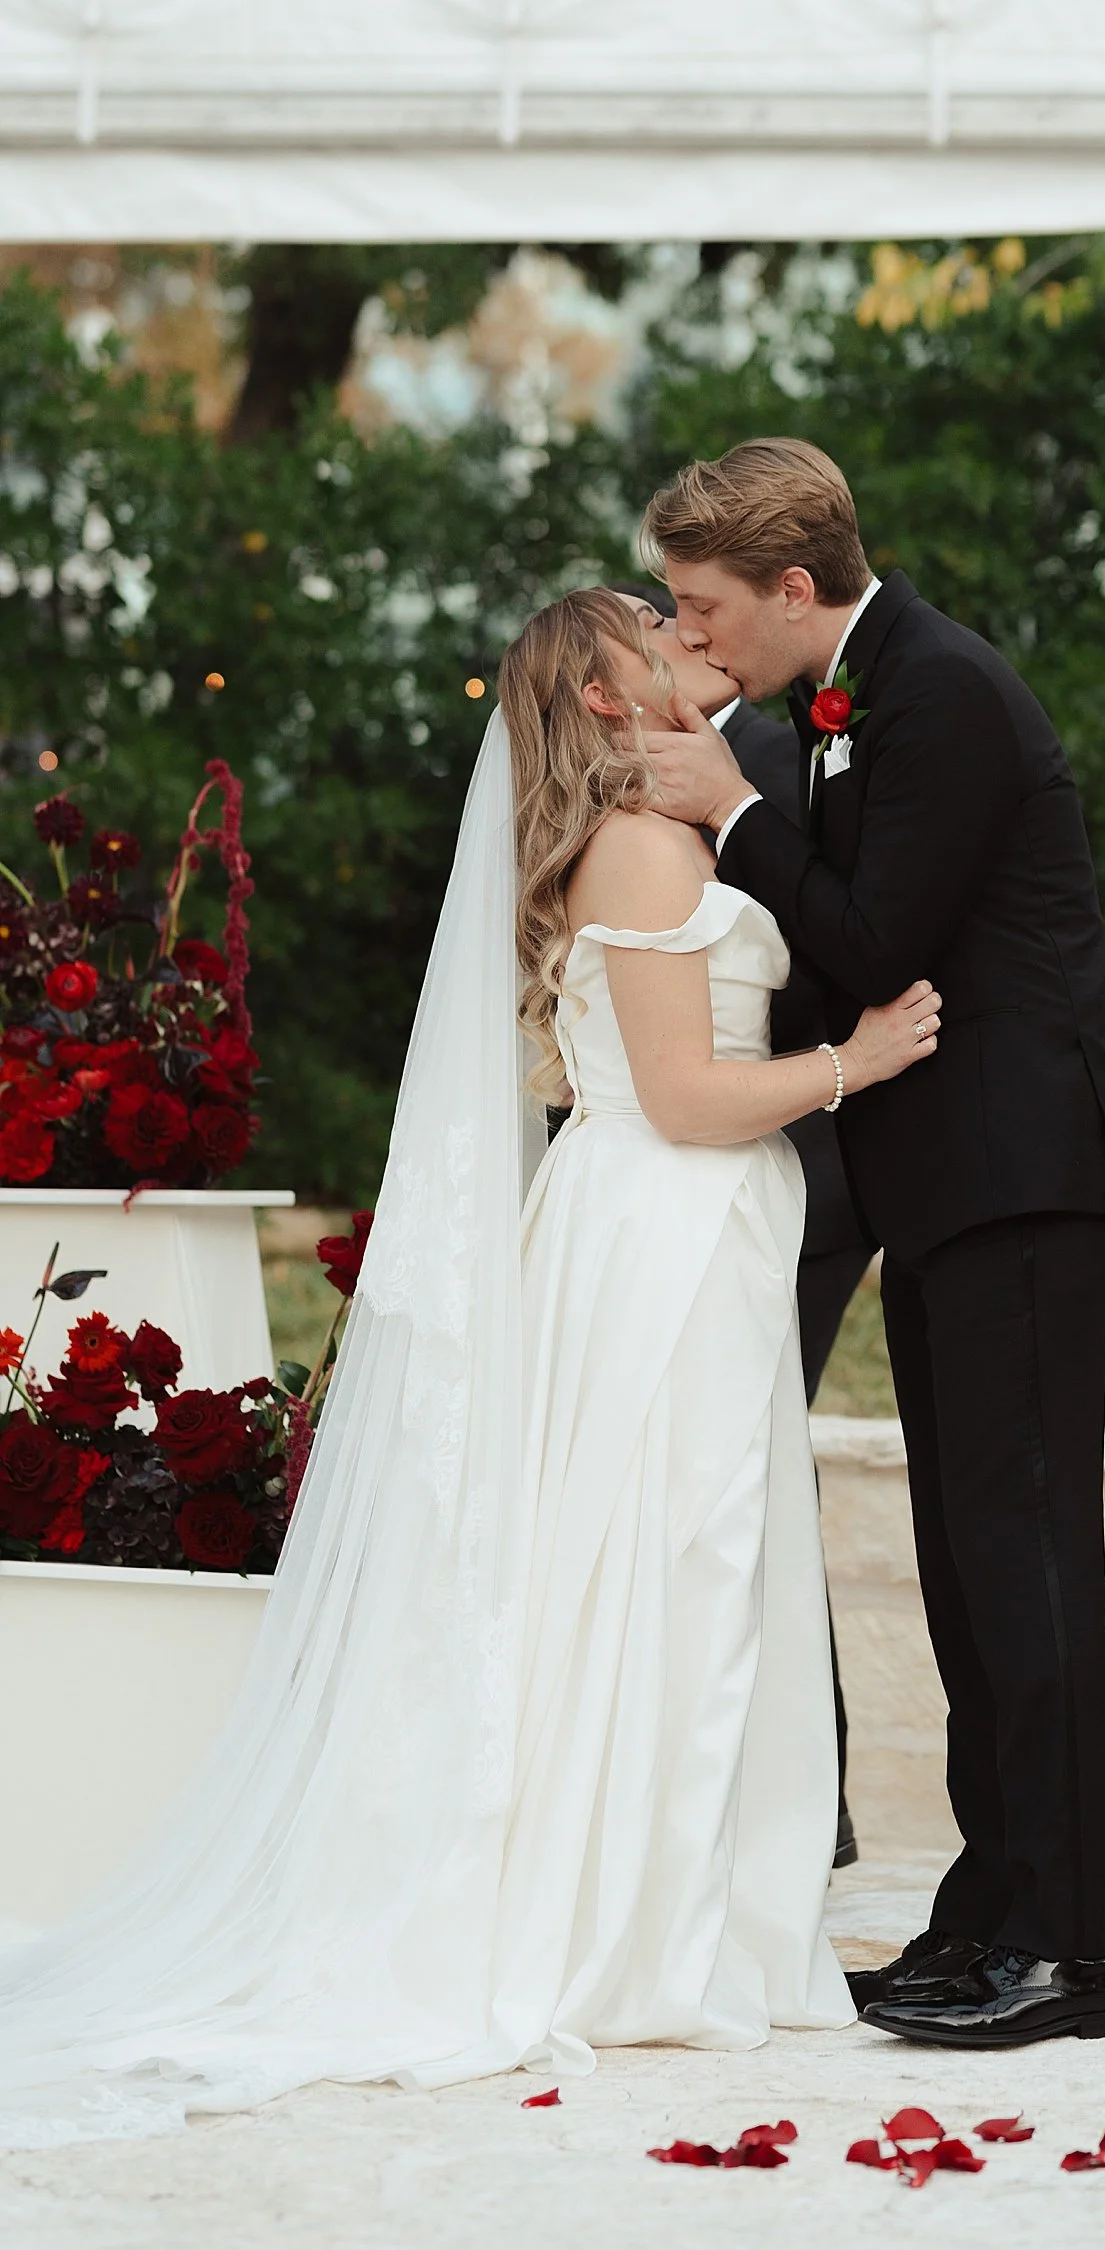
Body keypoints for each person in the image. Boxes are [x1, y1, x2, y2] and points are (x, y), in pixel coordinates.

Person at [0, 590, 942, 2144]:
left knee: (674, 1561)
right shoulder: (641, 845)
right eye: (653, 617)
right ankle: (630, 1933)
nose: (678, 619)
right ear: (598, 680)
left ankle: (666, 1903)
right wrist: (860, 1060)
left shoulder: (666, 817)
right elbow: (686, 1095)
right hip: (663, 1222)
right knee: (670, 1564)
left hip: (679, 1229)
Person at [641, 438, 1105, 2052]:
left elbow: (871, 946)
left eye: (702, 604)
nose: (691, 631)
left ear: (796, 589)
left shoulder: (939, 693)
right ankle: (995, 1905)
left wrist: (729, 812)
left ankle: (1074, 1953)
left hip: (1020, 1176)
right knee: (967, 1564)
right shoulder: (853, 700)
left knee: (1025, 1564)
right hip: (949, 1183)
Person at [610, 584, 869, 1867]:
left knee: (739, 1488)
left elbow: (843, 941)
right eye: (667, 622)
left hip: (789, 1173)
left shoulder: (773, 759)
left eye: (694, 611)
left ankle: (775, 1811)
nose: (695, 637)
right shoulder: (638, 805)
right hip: (700, 1161)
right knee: (713, 1494)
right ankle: (760, 1820)